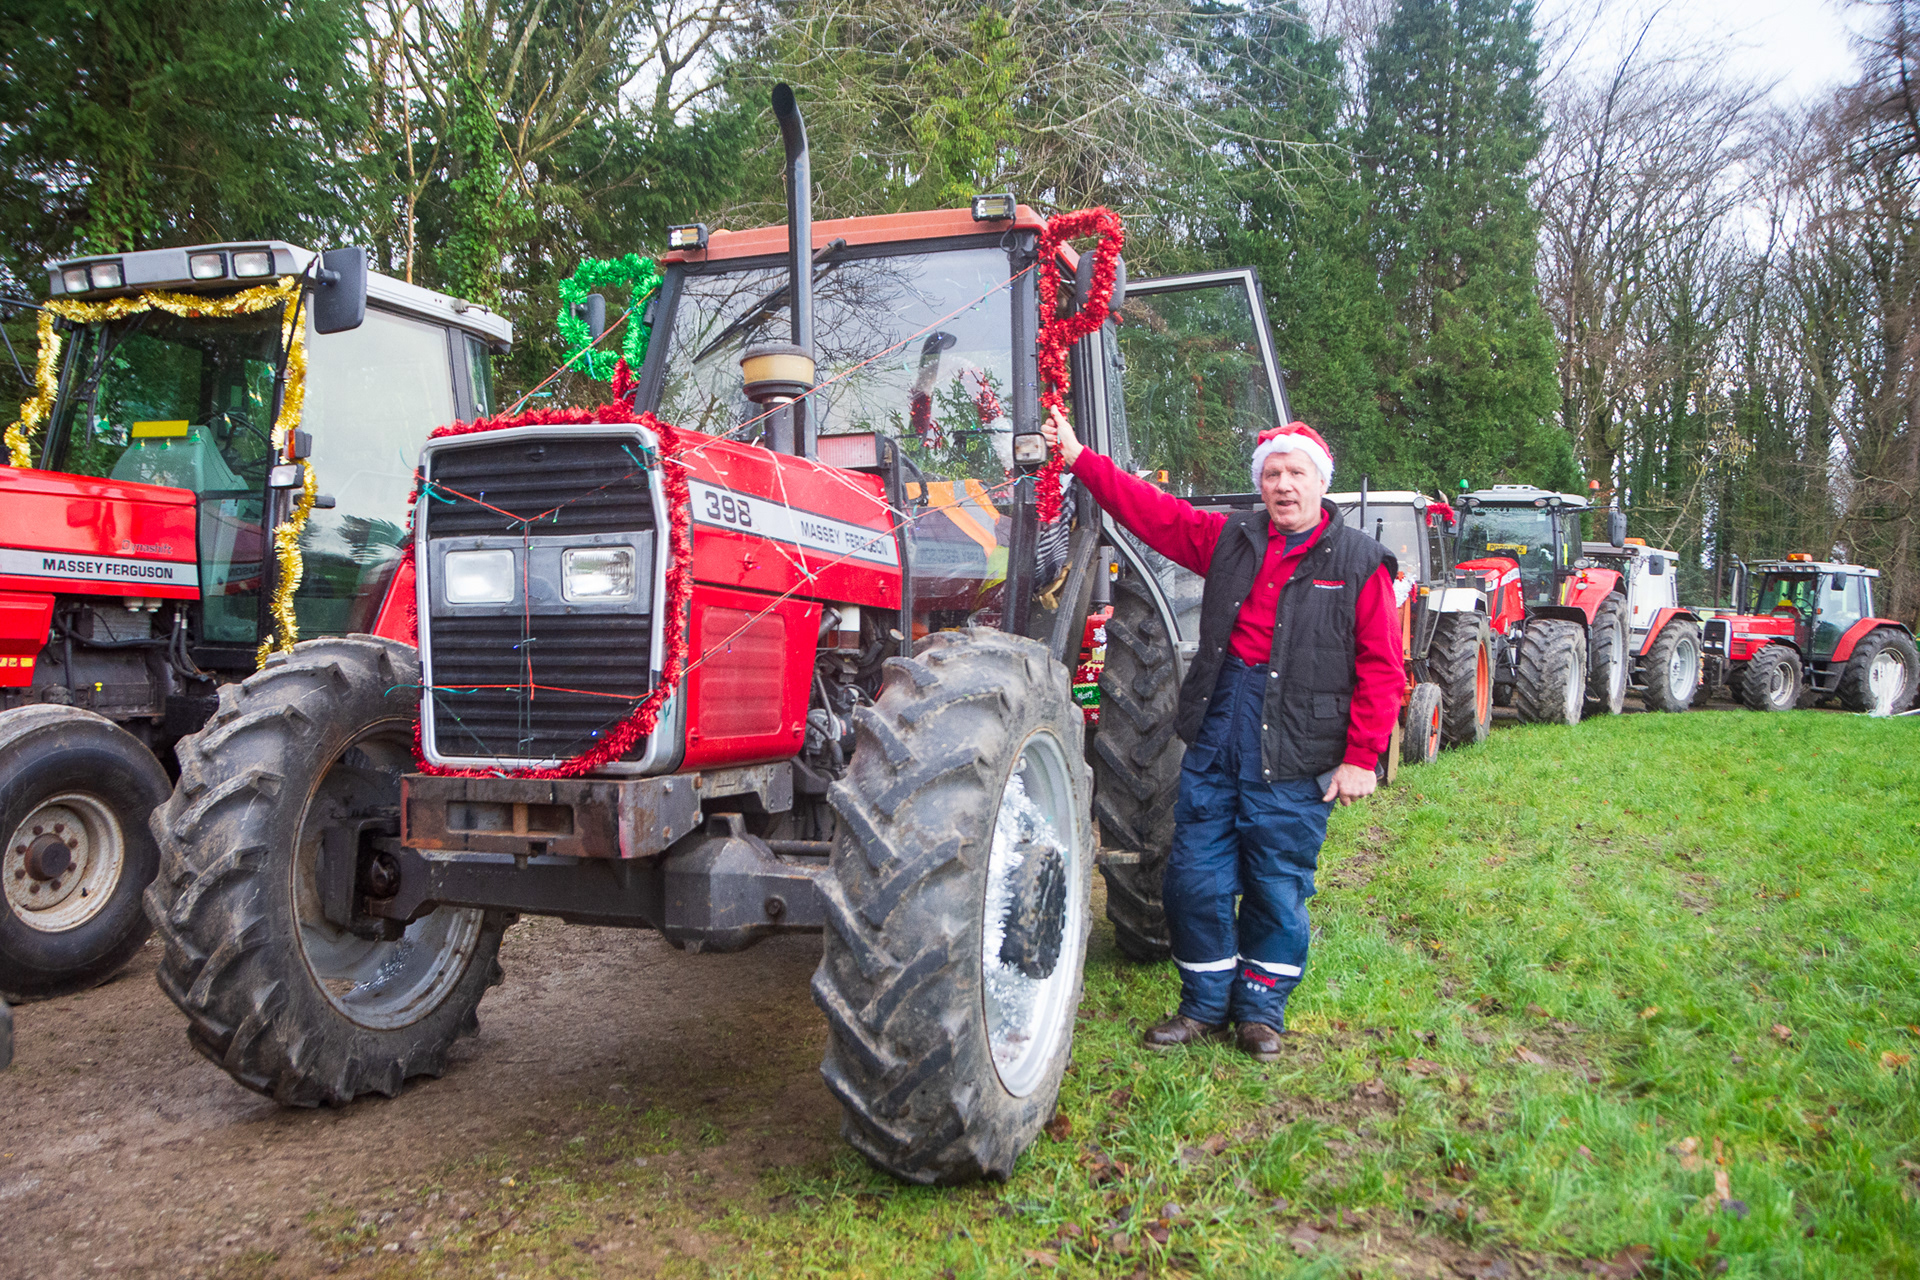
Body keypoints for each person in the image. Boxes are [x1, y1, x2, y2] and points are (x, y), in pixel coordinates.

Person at [1042, 406, 1403, 1061]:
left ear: (1321, 483)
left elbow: (1382, 665)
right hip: (1218, 732)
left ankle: (1261, 1012)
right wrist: (1079, 460)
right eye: (1272, 474)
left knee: (1275, 885)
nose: (1283, 485)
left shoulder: (1358, 562)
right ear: (1260, 485)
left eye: (1296, 473)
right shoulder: (1231, 538)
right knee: (1193, 881)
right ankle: (1204, 1004)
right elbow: (1154, 513)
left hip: (1297, 748)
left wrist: (1361, 757)